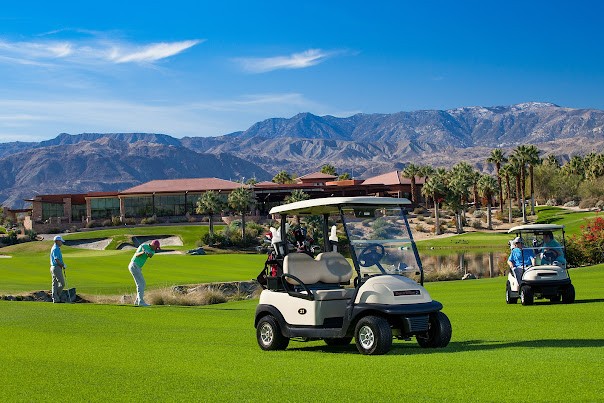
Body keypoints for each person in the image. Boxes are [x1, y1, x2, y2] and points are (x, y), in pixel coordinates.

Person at [128, 239, 160, 306]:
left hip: (138, 267)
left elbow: (150, 255)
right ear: (153, 244)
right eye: (156, 247)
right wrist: (143, 252)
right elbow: (136, 255)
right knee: (141, 283)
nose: (156, 249)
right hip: (134, 265)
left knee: (140, 284)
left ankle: (137, 301)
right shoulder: (143, 246)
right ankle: (141, 302)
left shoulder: (153, 251)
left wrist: (147, 253)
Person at [49, 235, 67, 303]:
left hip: (53, 267)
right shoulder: (56, 248)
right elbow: (56, 260)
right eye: (61, 241)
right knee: (62, 284)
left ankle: (55, 299)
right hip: (56, 267)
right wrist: (62, 266)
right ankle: (56, 296)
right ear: (57, 241)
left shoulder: (55, 248)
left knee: (54, 284)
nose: (62, 243)